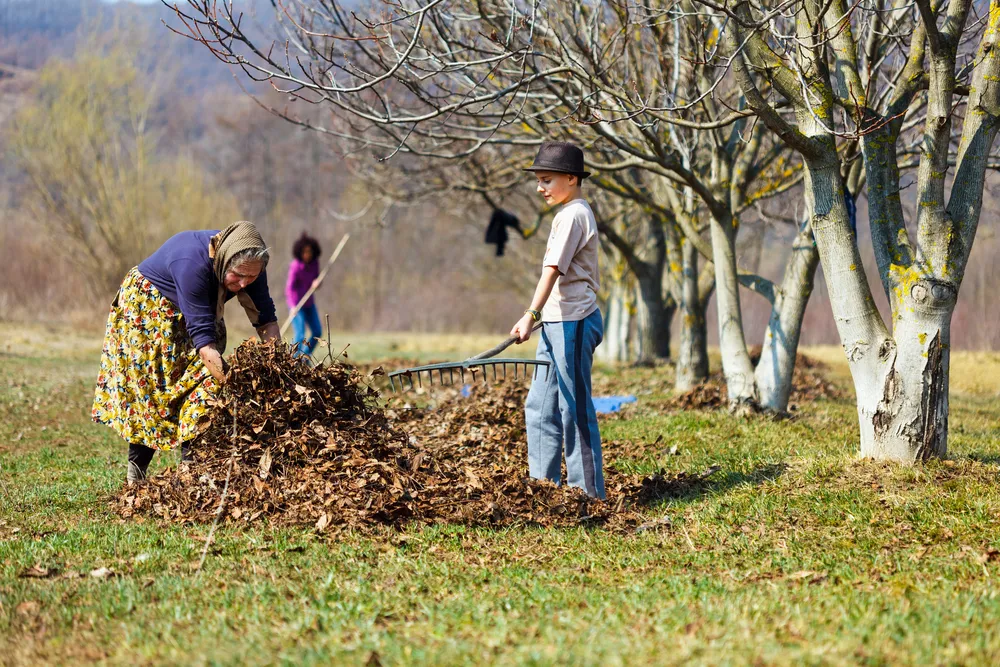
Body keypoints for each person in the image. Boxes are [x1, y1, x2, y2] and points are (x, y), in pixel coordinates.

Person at [92, 221, 280, 483]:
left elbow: (266, 319)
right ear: (224, 261)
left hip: (193, 311)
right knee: (154, 390)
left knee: (205, 385)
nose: (243, 283)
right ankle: (136, 474)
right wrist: (236, 388)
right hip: (148, 310)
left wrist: (278, 364)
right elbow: (205, 344)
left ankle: (192, 472)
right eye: (237, 276)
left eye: (251, 278)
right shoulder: (193, 264)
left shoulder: (251, 261)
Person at [510, 141, 605, 499]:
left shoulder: (574, 215)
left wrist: (530, 313)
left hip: (574, 323)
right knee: (539, 407)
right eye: (538, 180)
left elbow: (552, 271)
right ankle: (544, 489)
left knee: (574, 409)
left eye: (547, 180)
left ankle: (588, 496)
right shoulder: (565, 214)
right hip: (556, 323)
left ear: (572, 177)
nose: (540, 187)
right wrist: (541, 317)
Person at [285, 233, 323, 357]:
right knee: (300, 335)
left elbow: (317, 281)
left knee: (317, 331)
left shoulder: (314, 264)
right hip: (296, 304)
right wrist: (292, 307)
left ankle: (305, 358)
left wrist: (318, 283)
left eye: (310, 251)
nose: (308, 254)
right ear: (300, 252)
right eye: (305, 252)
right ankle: (293, 362)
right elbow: (289, 288)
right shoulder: (295, 266)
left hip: (309, 303)